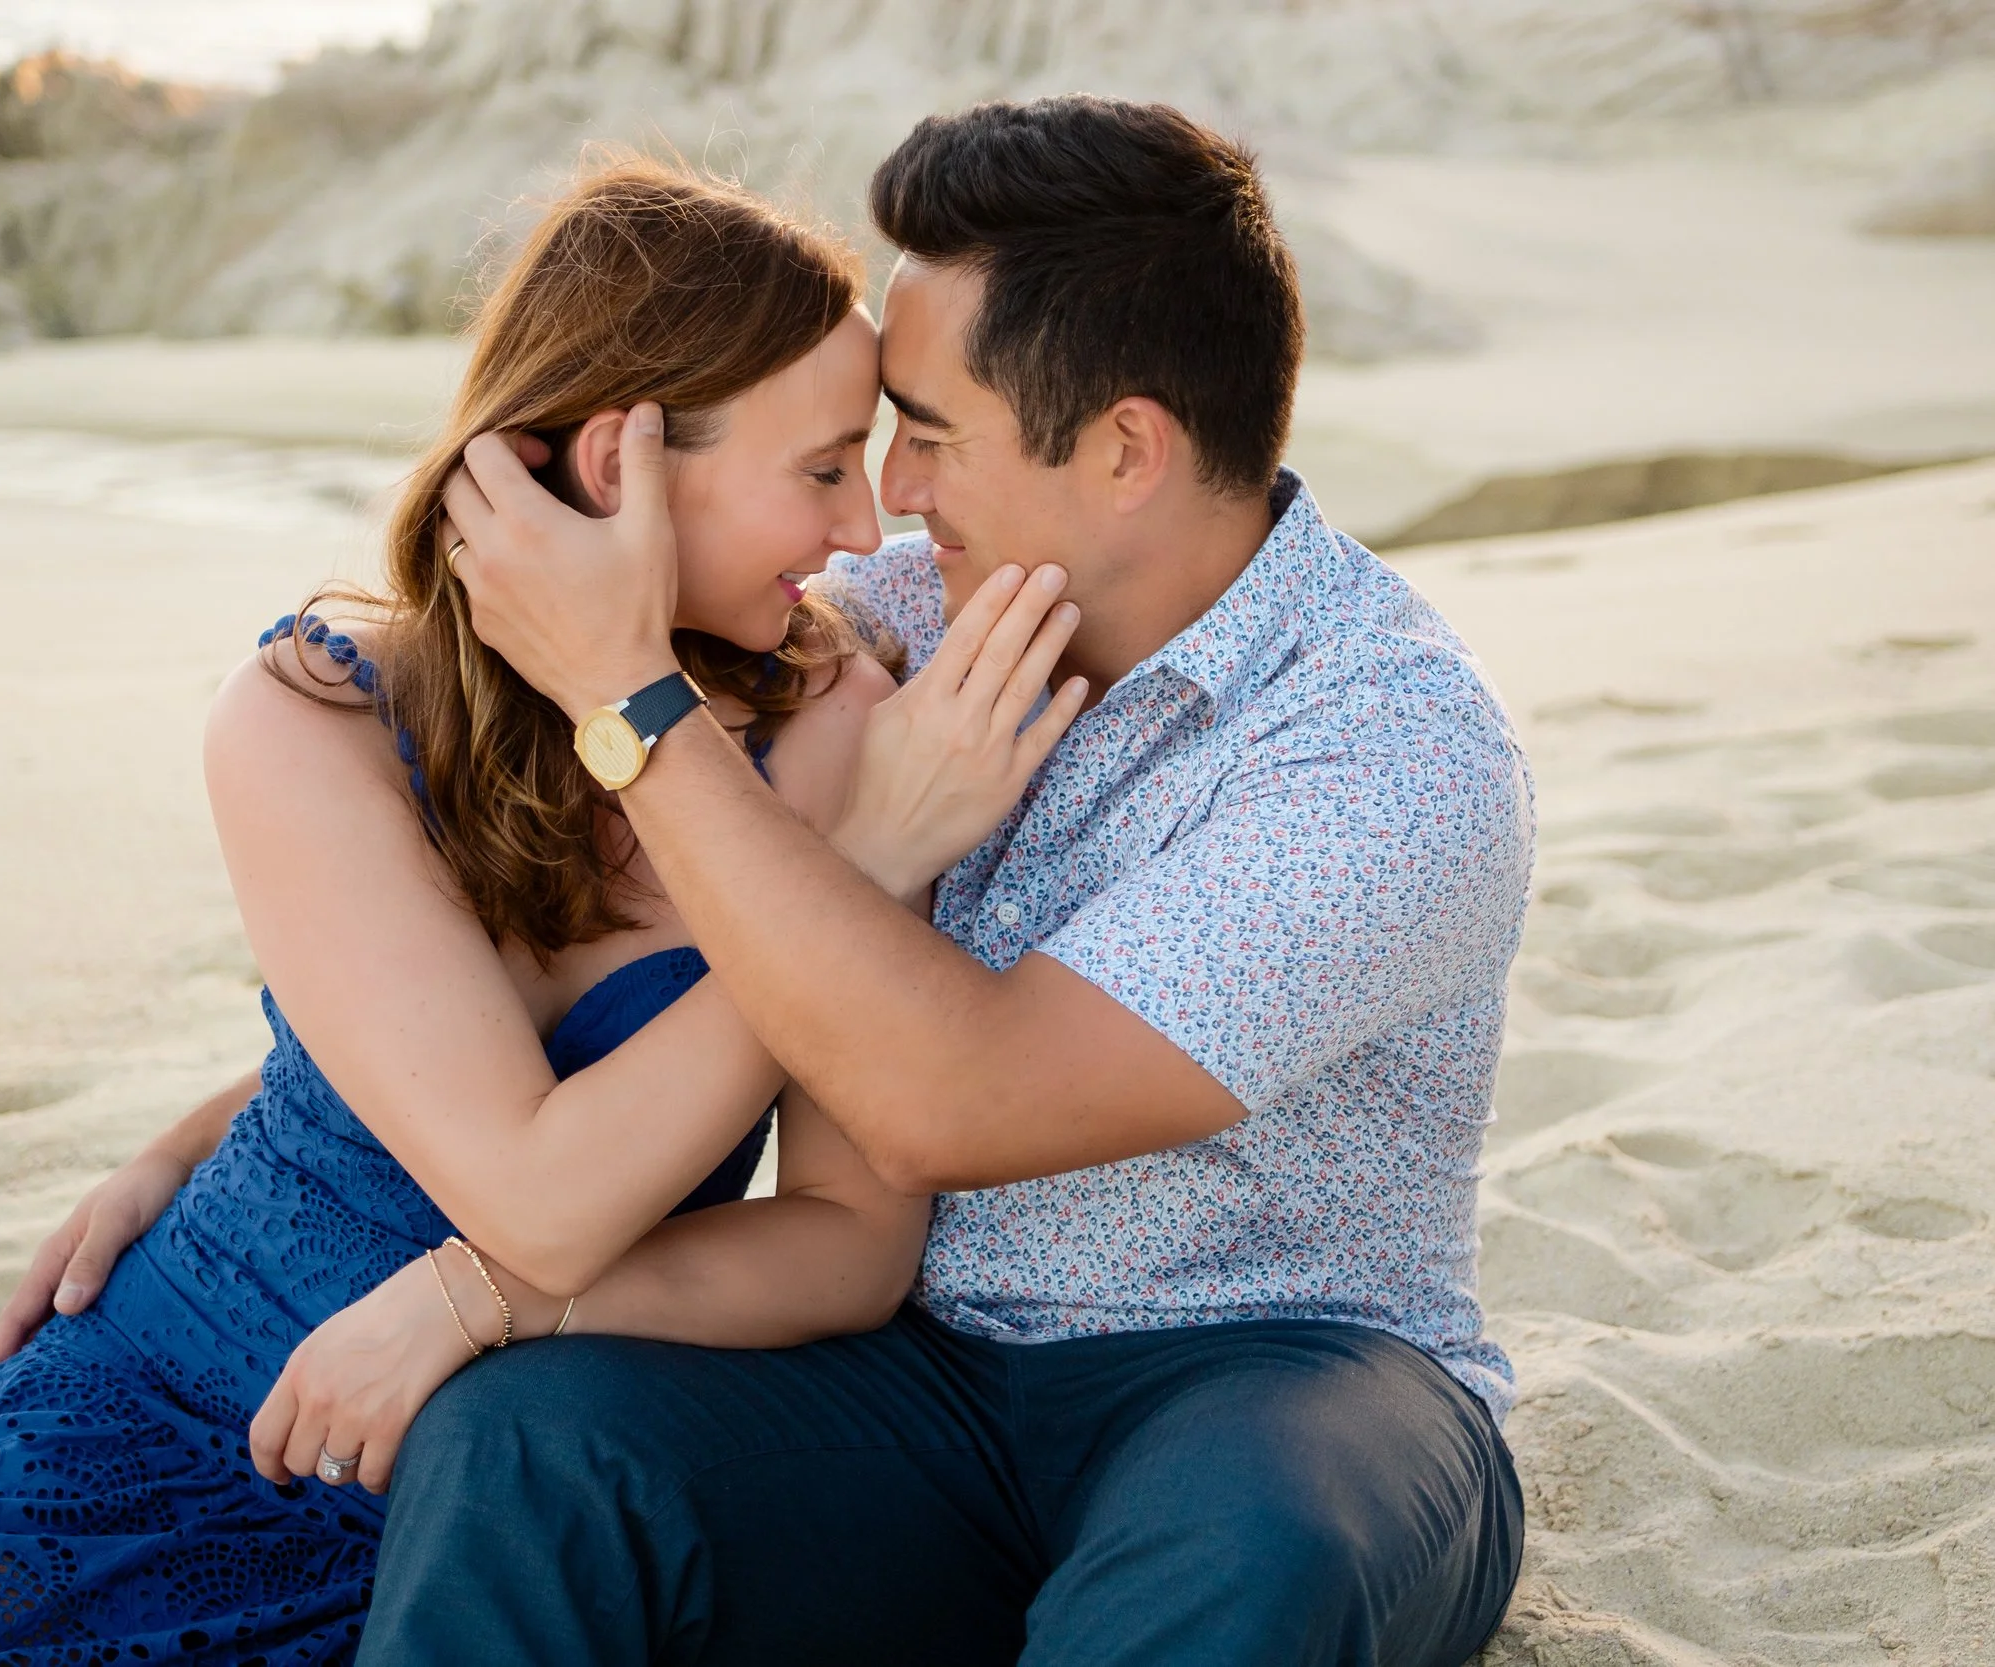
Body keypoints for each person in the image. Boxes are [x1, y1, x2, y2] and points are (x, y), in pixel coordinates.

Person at [0, 159, 1079, 1665]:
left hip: (488, 1487)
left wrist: (485, 1304)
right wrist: (846, 888)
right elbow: (506, 1157)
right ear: (620, 462)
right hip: (168, 1381)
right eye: (821, 468)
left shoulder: (838, 731)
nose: (863, 528)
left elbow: (848, 1243)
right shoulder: (316, 718)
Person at [356, 96, 1535, 1665]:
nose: (889, 491)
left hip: (1287, 1374)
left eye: (928, 432)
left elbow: (950, 1100)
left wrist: (629, 698)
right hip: (920, 1387)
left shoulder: (1388, 751)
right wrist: (224, 1126)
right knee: (526, 1446)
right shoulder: (891, 609)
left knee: (1249, 1555)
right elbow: (573, 926)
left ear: (1126, 449)